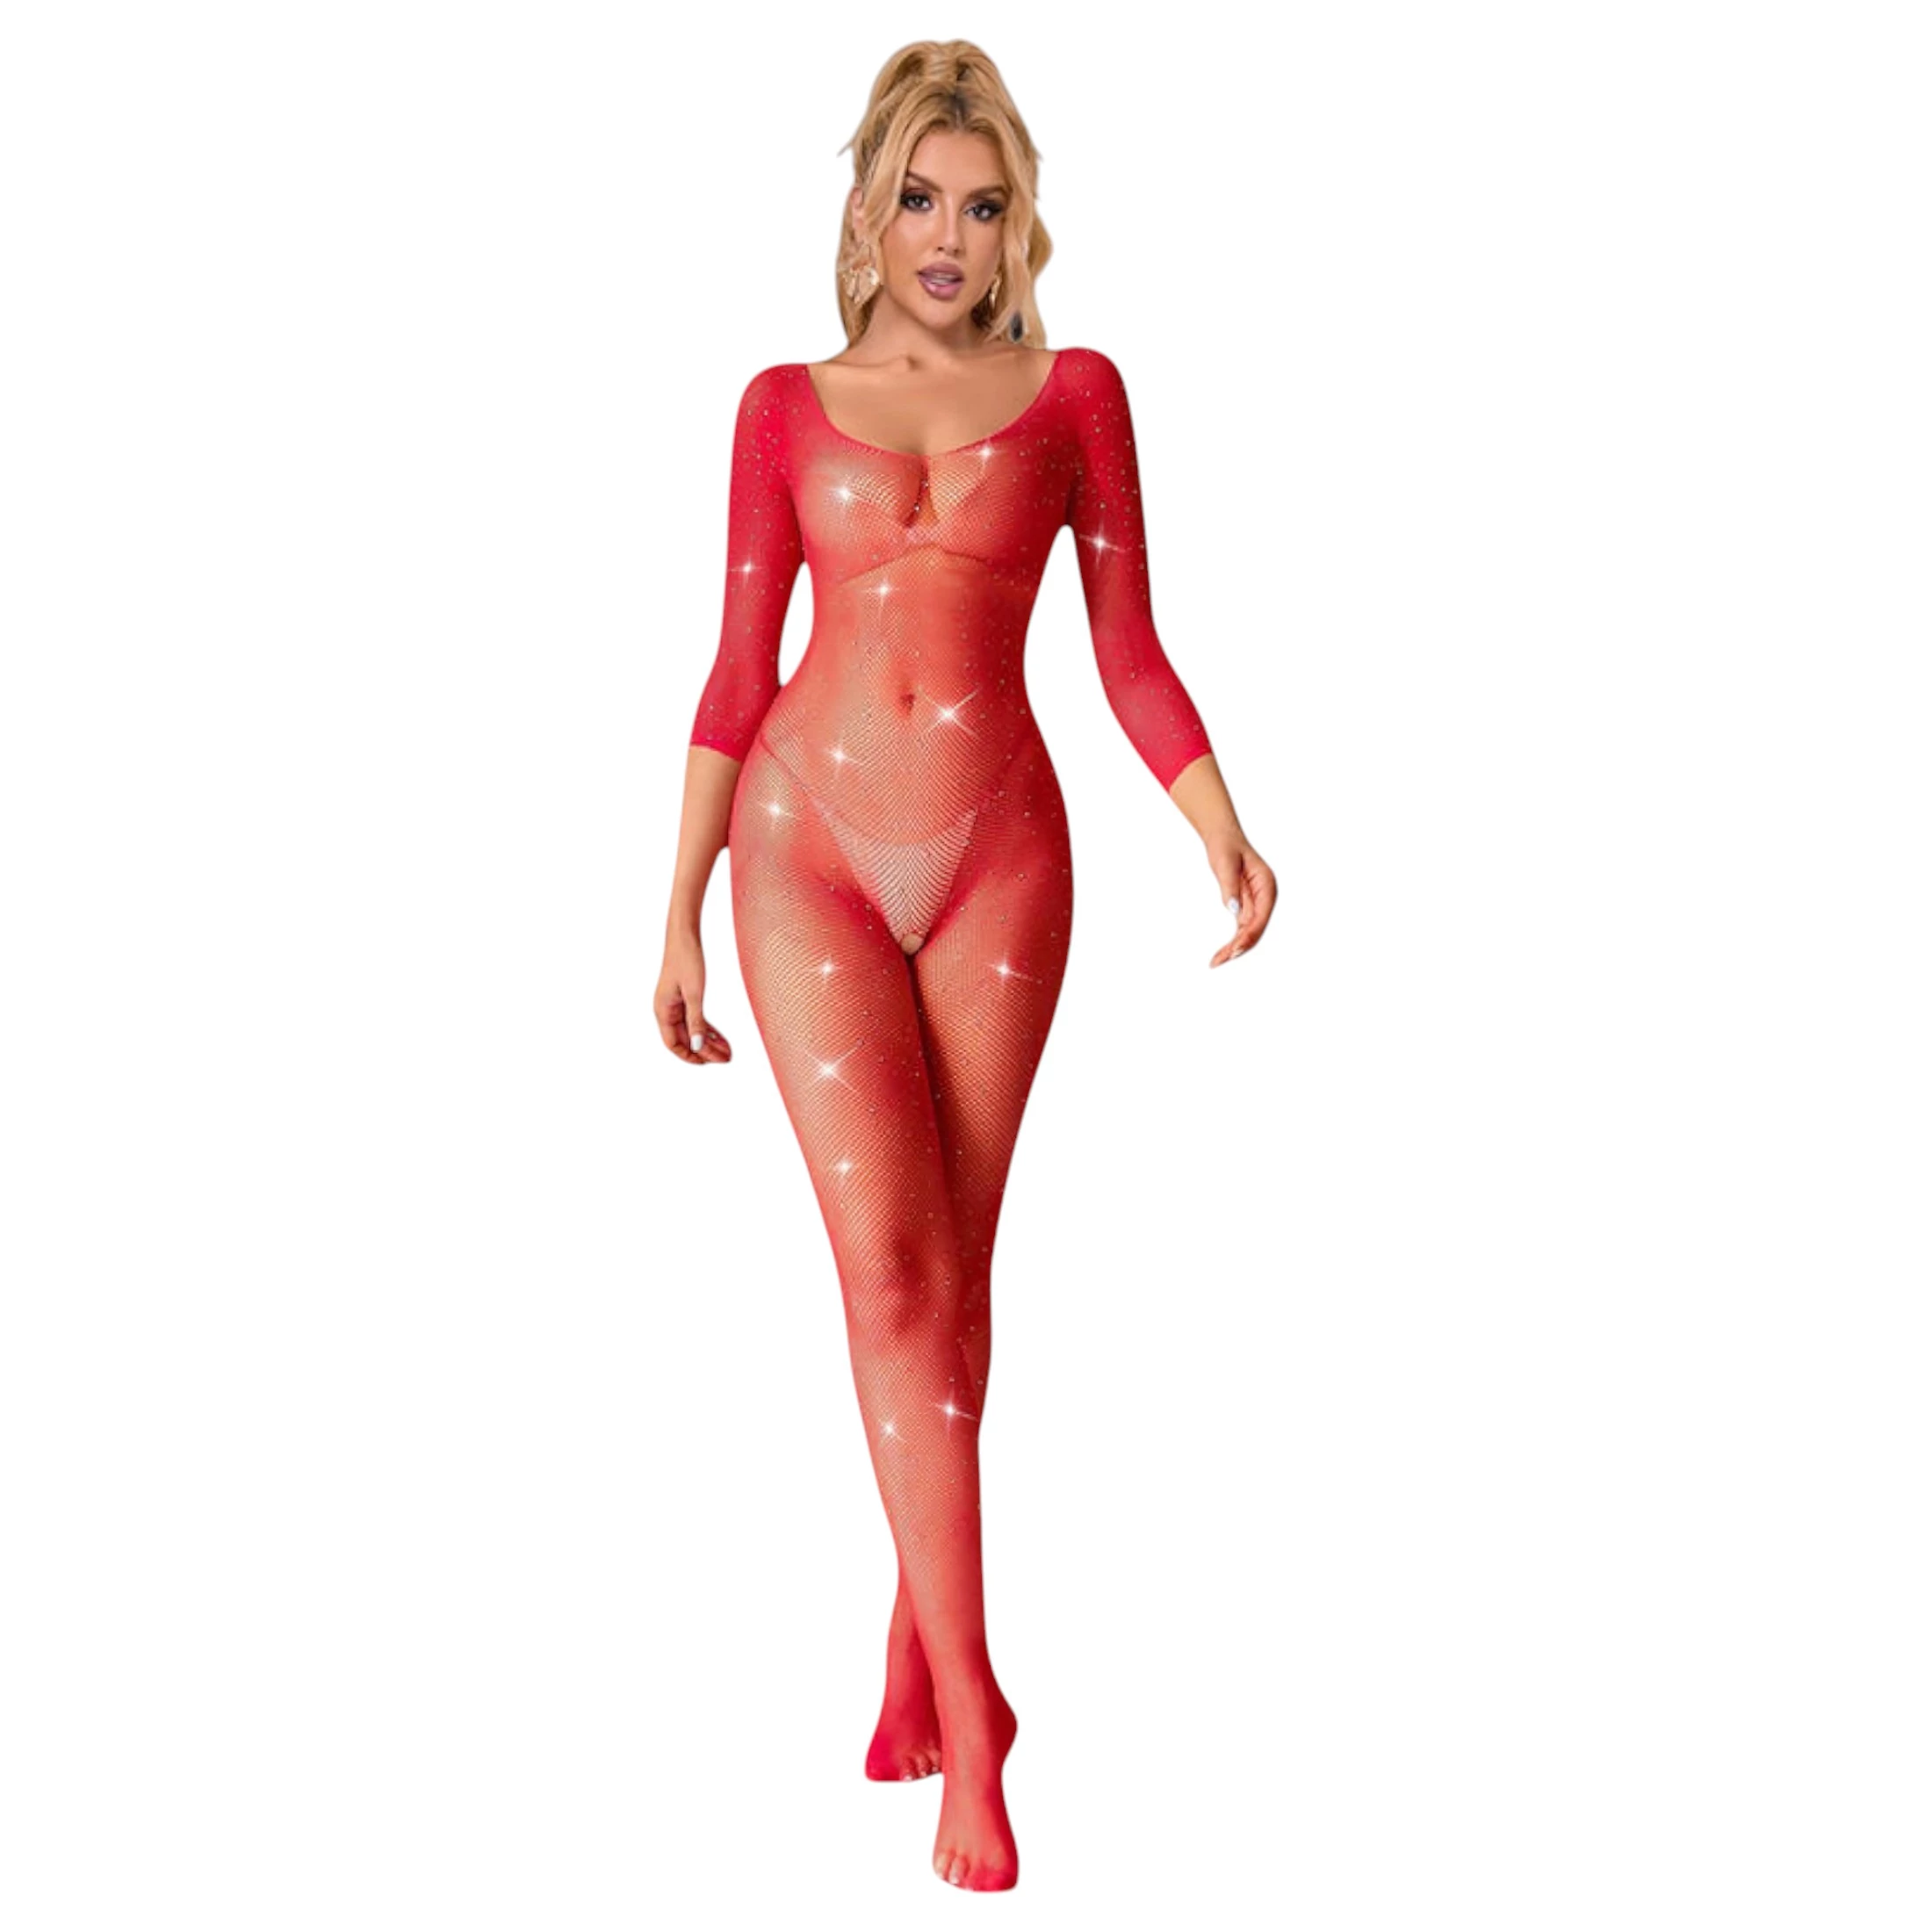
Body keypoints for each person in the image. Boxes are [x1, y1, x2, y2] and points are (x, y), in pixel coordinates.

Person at [655, 40, 1275, 1892]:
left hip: (1002, 854)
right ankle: (977, 1710)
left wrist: (1222, 823)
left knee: (955, 1270)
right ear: (866, 209)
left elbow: (1129, 648)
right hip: (806, 850)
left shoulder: (1077, 393)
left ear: (1020, 222)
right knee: (895, 1274)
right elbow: (734, 669)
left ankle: (914, 1639)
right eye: (919, 198)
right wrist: (674, 904)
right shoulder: (780, 408)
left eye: (983, 204)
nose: (948, 236)